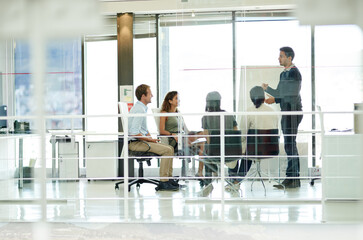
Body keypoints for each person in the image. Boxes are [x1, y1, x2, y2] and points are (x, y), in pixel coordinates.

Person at [262, 46, 303, 189]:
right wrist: (269, 92)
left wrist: (275, 98)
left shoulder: (294, 73)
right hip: (287, 111)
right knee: (289, 145)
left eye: (281, 56)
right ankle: (291, 178)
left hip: (293, 112)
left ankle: (293, 179)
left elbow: (291, 94)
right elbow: (280, 93)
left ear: (289, 58)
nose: (278, 58)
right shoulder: (283, 74)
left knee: (290, 145)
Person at [128, 84, 178, 191]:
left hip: (139, 141)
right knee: (167, 150)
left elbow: (143, 129)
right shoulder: (139, 110)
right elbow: (133, 133)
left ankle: (168, 179)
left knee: (170, 148)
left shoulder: (141, 108)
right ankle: (164, 182)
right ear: (143, 96)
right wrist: (150, 140)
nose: (152, 95)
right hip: (135, 143)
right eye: (150, 94)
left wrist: (151, 137)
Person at [159, 91, 205, 176]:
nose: (179, 100)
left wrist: (193, 133)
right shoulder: (164, 113)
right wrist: (172, 134)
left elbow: (186, 130)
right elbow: (161, 130)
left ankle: (200, 172)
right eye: (176, 98)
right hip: (174, 140)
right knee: (199, 137)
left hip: (183, 137)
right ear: (170, 101)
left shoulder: (178, 113)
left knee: (203, 138)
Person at [201, 91, 238, 190]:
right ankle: (234, 180)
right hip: (230, 152)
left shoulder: (205, 117)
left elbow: (207, 137)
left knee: (205, 149)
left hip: (215, 152)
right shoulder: (229, 115)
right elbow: (236, 132)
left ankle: (208, 182)